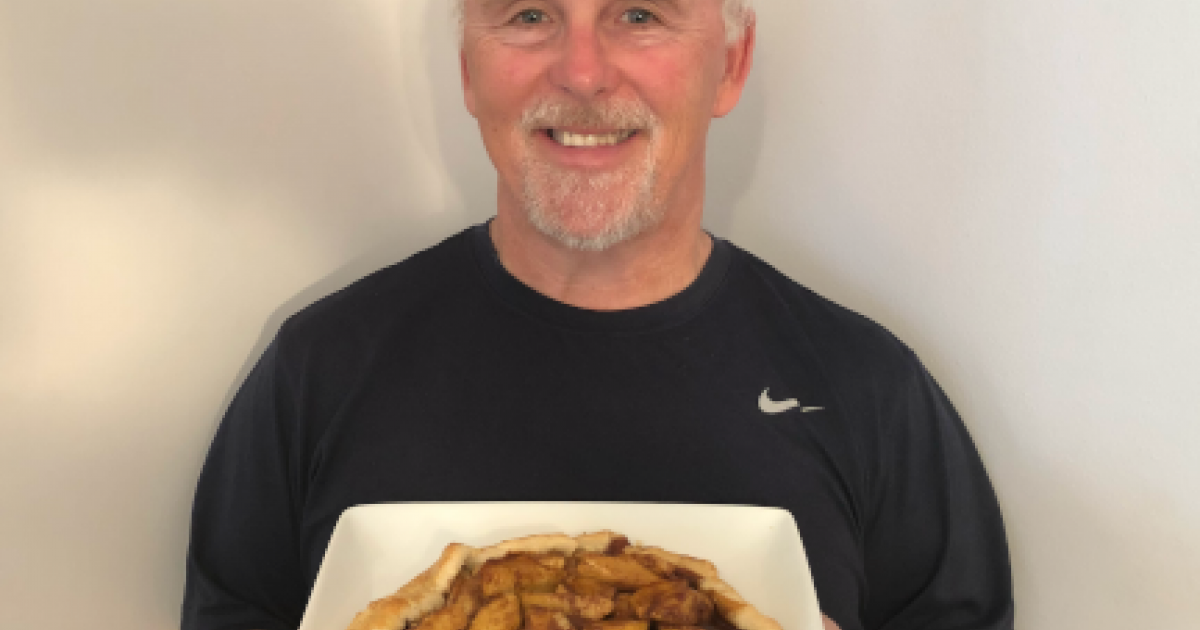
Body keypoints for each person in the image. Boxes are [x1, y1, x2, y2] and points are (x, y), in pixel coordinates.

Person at [182, 1, 1014, 629]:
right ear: (469, 70)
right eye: (530, 15)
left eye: (640, 14)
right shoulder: (315, 374)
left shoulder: (872, 393)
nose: (582, 73)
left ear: (730, 65)